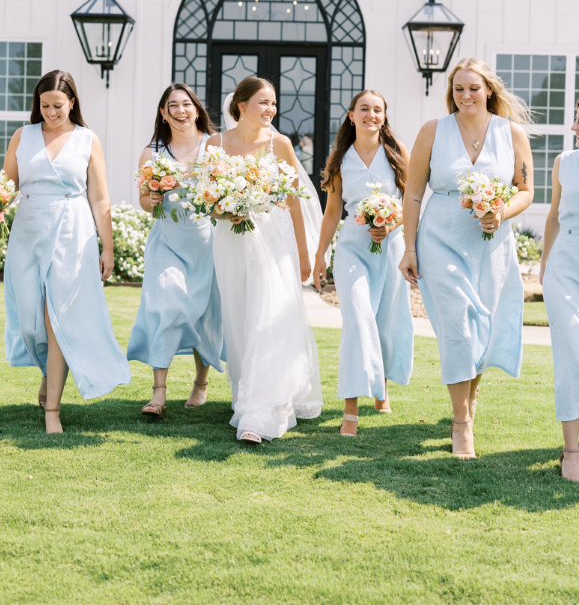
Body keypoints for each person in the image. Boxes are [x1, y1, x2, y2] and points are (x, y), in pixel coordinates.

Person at [399, 57, 533, 458]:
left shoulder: (512, 134)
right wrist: (408, 247)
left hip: (492, 244)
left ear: (489, 90)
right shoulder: (432, 131)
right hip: (440, 239)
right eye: (458, 89)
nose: (465, 95)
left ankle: (468, 401)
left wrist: (501, 212)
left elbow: (525, 190)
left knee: (483, 327)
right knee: (457, 325)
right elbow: (413, 192)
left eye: (473, 88)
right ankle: (461, 423)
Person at [3, 70, 130, 434]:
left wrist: (108, 247)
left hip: (73, 231)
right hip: (28, 230)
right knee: (29, 319)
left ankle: (53, 410)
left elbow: (100, 195)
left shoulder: (87, 139)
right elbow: (7, 185)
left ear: (72, 102)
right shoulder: (21, 137)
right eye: (44, 105)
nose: (51, 112)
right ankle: (48, 373)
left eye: (57, 105)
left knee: (57, 318)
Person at [208, 77, 322, 444]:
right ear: (240, 105)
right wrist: (226, 213)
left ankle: (261, 412)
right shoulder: (215, 145)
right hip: (231, 242)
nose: (270, 109)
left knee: (268, 316)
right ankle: (246, 391)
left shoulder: (281, 144)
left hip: (273, 241)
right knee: (240, 317)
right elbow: (206, 199)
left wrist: (305, 255)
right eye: (263, 102)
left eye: (273, 103)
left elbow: (294, 202)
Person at [313, 90, 413, 437]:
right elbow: (332, 211)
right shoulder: (340, 158)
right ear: (352, 115)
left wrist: (391, 224)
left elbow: (412, 201)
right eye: (364, 109)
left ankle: (381, 386)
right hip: (353, 248)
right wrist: (320, 253)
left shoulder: (397, 152)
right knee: (357, 319)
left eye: (378, 110)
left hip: (392, 247)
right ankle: (350, 409)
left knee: (385, 319)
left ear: (384, 116)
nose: (371, 115)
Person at [127, 84, 225, 417]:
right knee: (167, 305)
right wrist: (150, 200)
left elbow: (226, 193)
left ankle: (200, 383)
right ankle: (158, 393)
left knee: (206, 315)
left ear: (197, 110)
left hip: (206, 244)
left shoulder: (215, 148)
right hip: (166, 243)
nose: (180, 110)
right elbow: (143, 201)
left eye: (186, 104)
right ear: (163, 113)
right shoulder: (151, 153)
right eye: (173, 105)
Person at [541, 92, 579, 482]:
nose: (573, 127)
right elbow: (553, 218)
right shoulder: (563, 163)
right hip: (565, 266)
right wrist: (545, 267)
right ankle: (571, 451)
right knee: (573, 355)